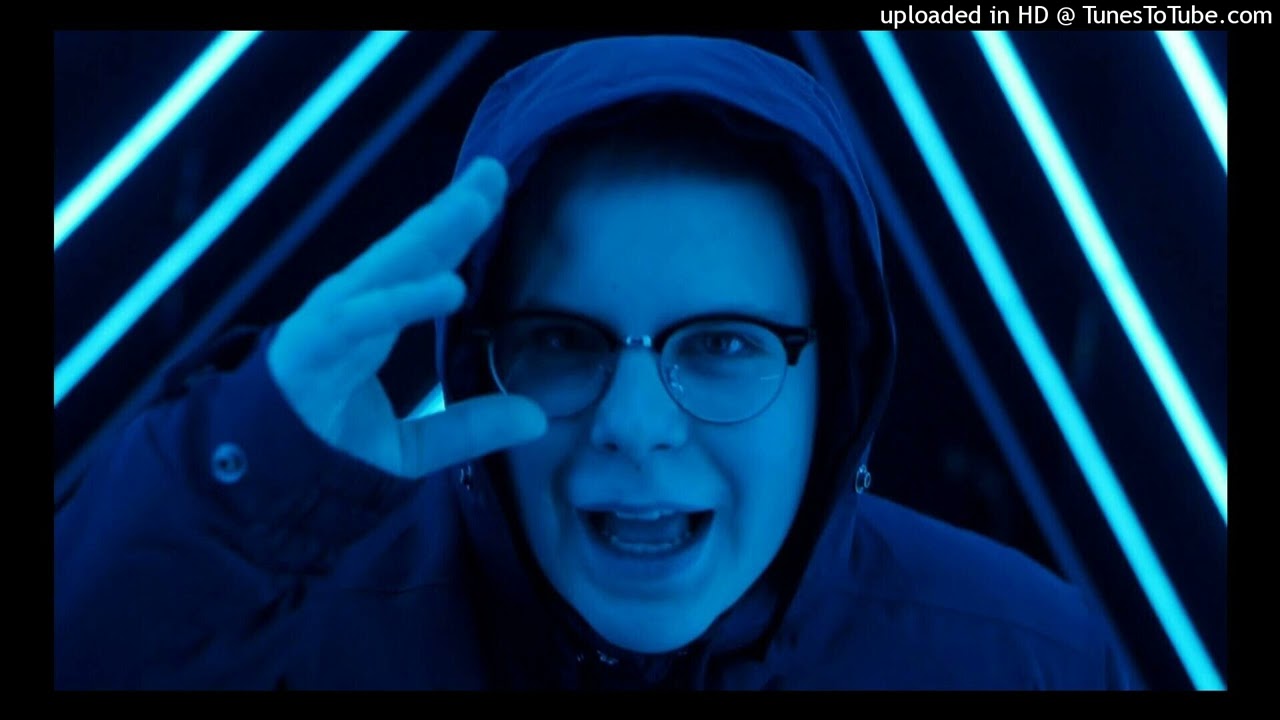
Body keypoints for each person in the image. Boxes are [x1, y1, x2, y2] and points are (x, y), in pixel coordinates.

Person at [54, 34, 1136, 690]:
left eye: (722, 344)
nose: (634, 424)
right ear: (483, 356)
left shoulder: (1026, 656)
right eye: (563, 341)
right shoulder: (300, 632)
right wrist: (251, 466)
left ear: (834, 382)